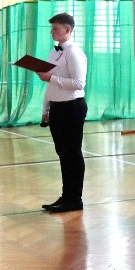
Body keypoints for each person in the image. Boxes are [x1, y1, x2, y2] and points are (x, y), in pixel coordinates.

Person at [40, 13, 88, 213]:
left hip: (72, 107)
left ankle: (75, 198)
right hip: (57, 107)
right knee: (62, 153)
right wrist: (46, 108)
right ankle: (66, 195)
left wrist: (51, 78)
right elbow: (49, 83)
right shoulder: (54, 52)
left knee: (72, 153)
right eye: (51, 28)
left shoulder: (74, 53)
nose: (52, 32)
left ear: (67, 30)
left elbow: (78, 83)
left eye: (56, 28)